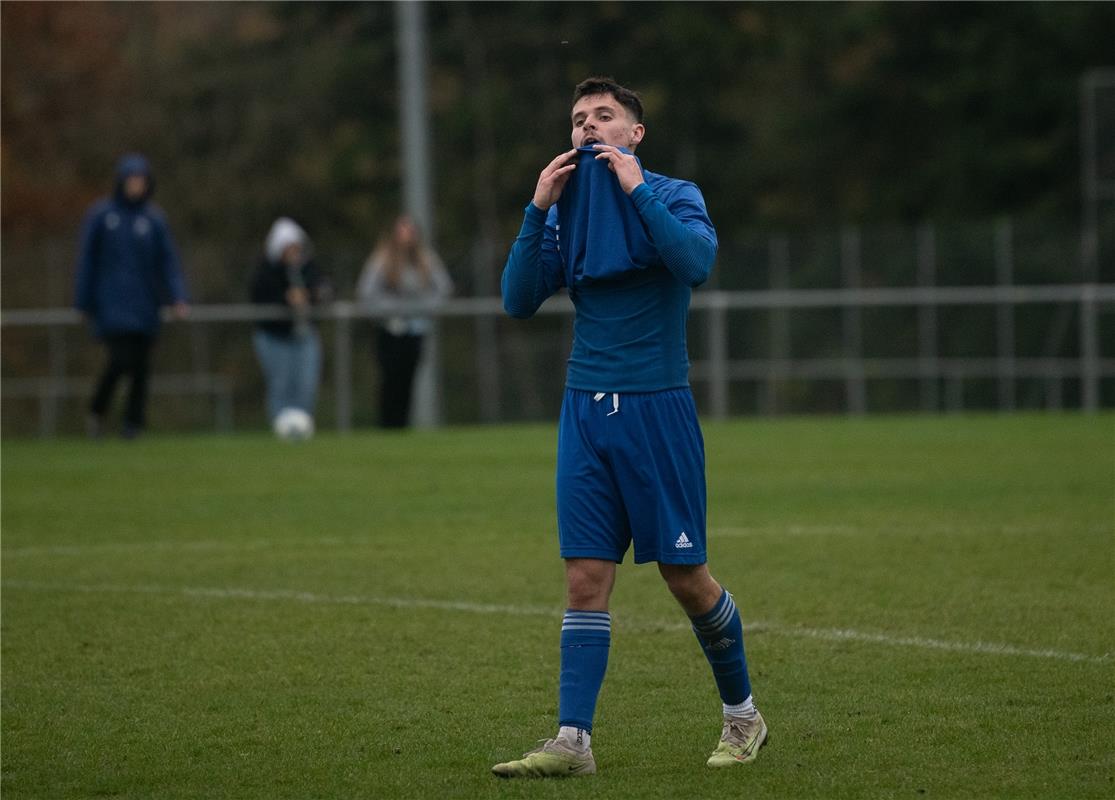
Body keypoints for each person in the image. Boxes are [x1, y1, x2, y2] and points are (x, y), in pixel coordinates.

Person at [492, 77, 766, 778]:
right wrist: (536, 207)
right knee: (585, 577)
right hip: (584, 409)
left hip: (655, 408)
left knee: (685, 576)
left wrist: (636, 189)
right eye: (579, 119)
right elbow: (518, 299)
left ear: (634, 132)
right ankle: (572, 742)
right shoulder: (567, 211)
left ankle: (742, 716)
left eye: (603, 116)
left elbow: (695, 264)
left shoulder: (674, 194)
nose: (588, 127)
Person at [74, 153, 190, 439]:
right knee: (120, 360)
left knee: (141, 367)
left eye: (141, 180)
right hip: (111, 305)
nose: (136, 186)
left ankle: (132, 425)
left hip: (145, 306)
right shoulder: (102, 216)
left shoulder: (154, 220)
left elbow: (168, 262)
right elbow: (87, 260)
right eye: (131, 180)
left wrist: (177, 297)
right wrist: (83, 300)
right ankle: (97, 411)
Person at [356, 215, 452, 429]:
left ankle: (401, 426)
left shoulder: (425, 260)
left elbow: (444, 288)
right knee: (390, 380)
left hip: (415, 330)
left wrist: (423, 308)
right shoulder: (381, 260)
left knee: (408, 381)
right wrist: (391, 309)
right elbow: (366, 293)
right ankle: (387, 425)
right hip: (389, 330)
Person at [250, 217, 328, 425]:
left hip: (304, 335)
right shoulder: (267, 270)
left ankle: (302, 424)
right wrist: (286, 299)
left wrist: (312, 296)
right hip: (276, 336)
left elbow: (323, 289)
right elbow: (259, 297)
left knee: (306, 383)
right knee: (280, 383)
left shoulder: (308, 268)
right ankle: (281, 425)